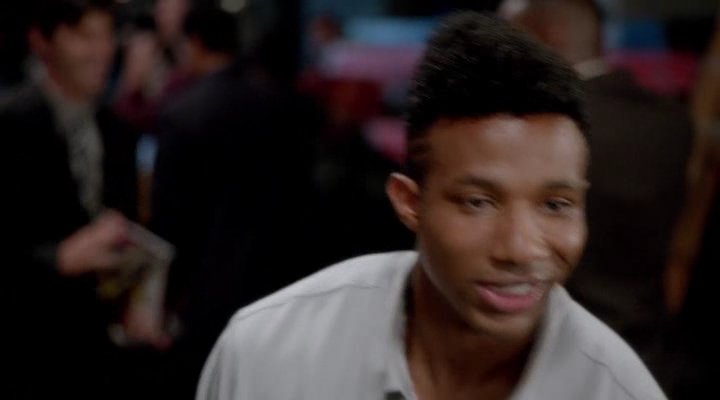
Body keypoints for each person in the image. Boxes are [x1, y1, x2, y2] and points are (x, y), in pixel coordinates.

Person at [196, 12, 665, 400]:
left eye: (556, 205)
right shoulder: (269, 354)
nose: (521, 249)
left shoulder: (617, 389)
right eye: (478, 202)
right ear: (409, 202)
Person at [499, 0, 693, 389]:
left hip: (553, 364)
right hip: (649, 358)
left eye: (504, 43)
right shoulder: (673, 123)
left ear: (546, 37)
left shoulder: (538, 131)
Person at [149, 6, 317, 398]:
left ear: (193, 43)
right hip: (281, 288)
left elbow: (168, 226)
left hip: (204, 302)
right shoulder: (286, 106)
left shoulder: (181, 115)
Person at [3, 0, 141, 398]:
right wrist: (59, 259)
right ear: (41, 41)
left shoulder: (118, 130)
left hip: (101, 354)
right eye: (84, 35)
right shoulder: (12, 126)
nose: (102, 50)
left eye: (107, 35)